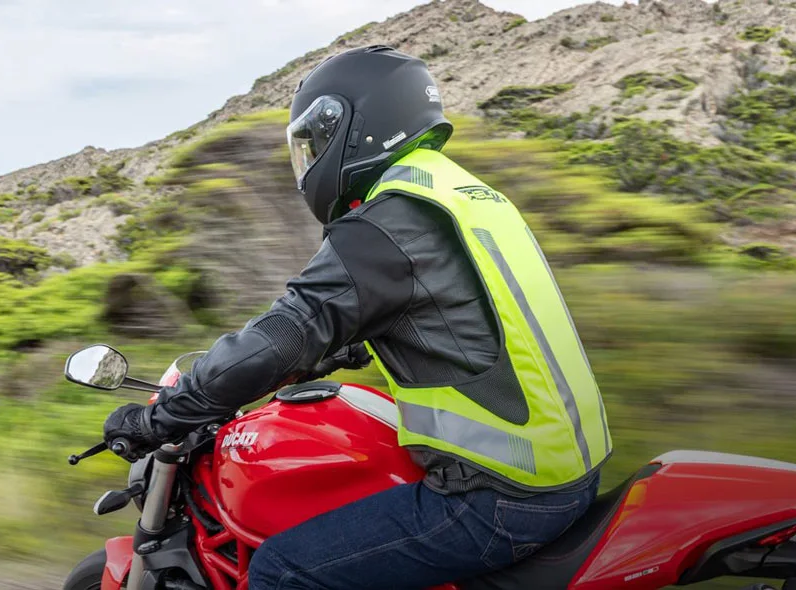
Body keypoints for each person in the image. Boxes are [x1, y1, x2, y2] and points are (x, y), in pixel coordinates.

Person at [103, 45, 612, 589]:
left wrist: (162, 417)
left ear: (351, 127)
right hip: (565, 466)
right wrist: (339, 349)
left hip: (502, 497)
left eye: (312, 144)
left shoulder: (384, 225)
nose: (310, 162)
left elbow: (285, 332)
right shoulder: (461, 193)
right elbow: (454, 312)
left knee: (282, 571)